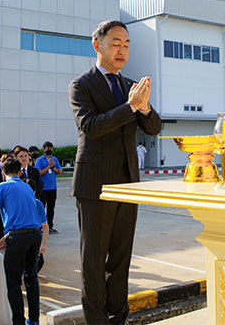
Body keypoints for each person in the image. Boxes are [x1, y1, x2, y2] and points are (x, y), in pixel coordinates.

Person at [68, 19, 162, 324]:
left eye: (126, 45)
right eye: (115, 44)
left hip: (128, 184)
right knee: (93, 261)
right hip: (95, 185)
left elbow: (154, 127)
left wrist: (144, 108)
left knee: (121, 260)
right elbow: (91, 127)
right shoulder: (82, 85)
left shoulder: (129, 86)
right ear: (97, 45)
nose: (122, 51)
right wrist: (131, 107)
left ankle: (119, 317)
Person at [0, 158, 45, 325]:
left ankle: (18, 321)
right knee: (31, 279)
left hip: (18, 239)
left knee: (13, 282)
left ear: (3, 173)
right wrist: (3, 240)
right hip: (34, 236)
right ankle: (34, 320)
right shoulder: (26, 187)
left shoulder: (1, 187)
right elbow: (25, 220)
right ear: (20, 172)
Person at [34, 141, 61, 234]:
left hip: (52, 188)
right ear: (44, 149)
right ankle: (40, 226)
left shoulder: (54, 159)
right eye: (47, 148)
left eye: (51, 148)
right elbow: (38, 173)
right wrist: (48, 167)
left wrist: (52, 167)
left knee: (51, 208)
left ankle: (50, 226)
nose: (49, 150)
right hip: (43, 188)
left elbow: (59, 172)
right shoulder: (40, 160)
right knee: (41, 207)